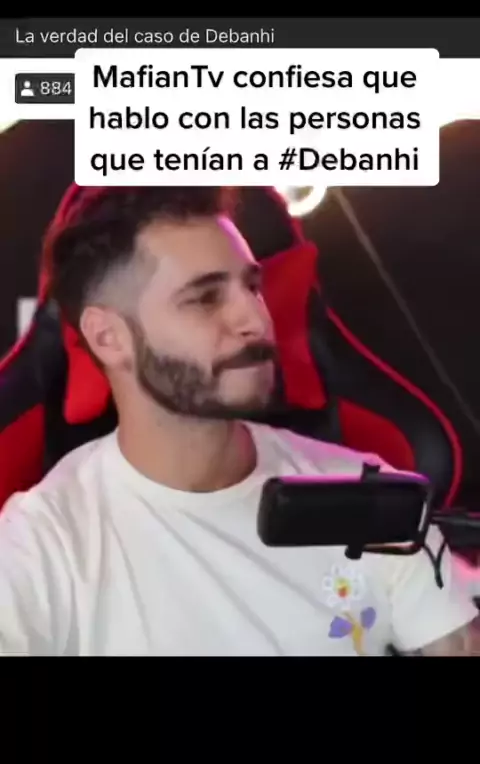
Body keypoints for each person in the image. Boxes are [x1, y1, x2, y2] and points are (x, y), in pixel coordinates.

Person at [0, 185, 478, 657]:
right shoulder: (40, 545)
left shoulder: (366, 495)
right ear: (108, 338)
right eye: (205, 298)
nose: (256, 318)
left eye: (252, 286)